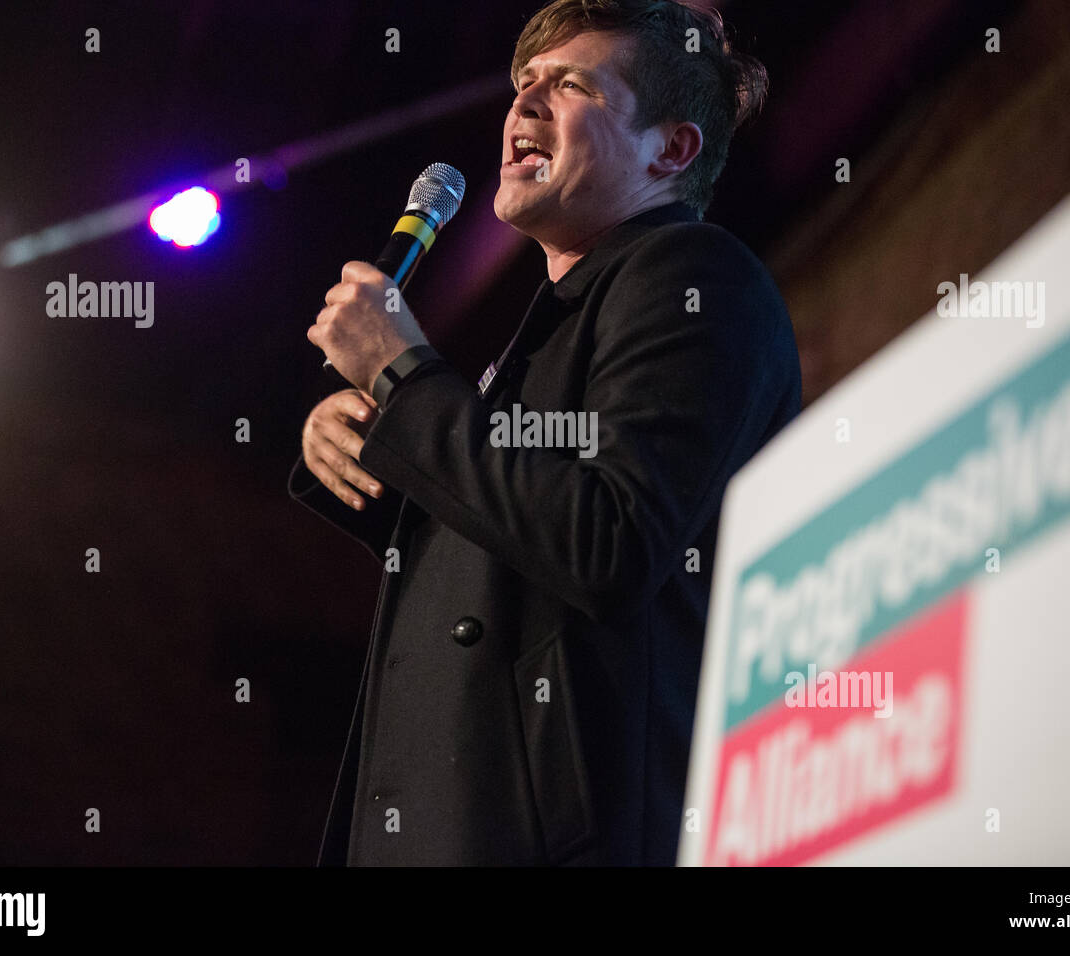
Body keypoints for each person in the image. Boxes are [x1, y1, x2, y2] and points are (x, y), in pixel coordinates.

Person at [288, 0, 801, 865]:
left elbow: (609, 536)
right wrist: (366, 437)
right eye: (523, 83)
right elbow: (508, 539)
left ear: (670, 149)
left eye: (570, 86)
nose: (524, 105)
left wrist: (408, 380)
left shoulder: (693, 277)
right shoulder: (543, 334)